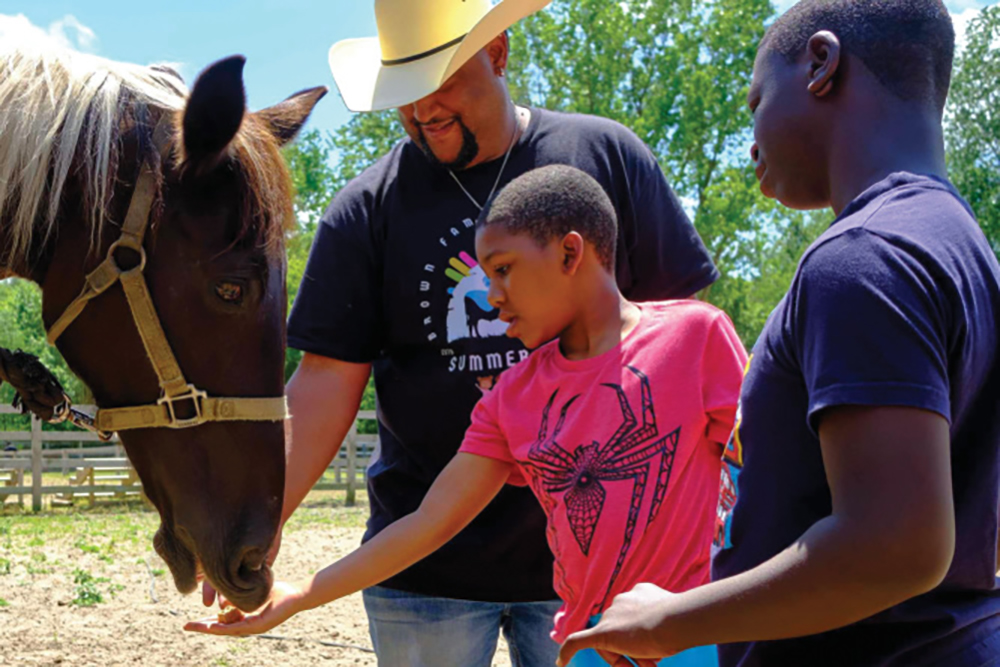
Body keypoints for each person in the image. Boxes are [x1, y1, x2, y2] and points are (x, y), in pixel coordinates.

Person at [202, 0, 719, 664]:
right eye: (404, 92)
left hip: (610, 564)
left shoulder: (604, 157)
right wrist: (259, 519)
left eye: (440, 81)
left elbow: (681, 348)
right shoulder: (366, 207)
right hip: (425, 568)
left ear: (499, 53)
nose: (422, 110)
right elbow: (326, 381)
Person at [555, 1, 1000, 666]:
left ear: (820, 65)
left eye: (757, 100)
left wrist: (670, 619)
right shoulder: (960, 246)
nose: (752, 137)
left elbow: (897, 543)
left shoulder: (861, 258)